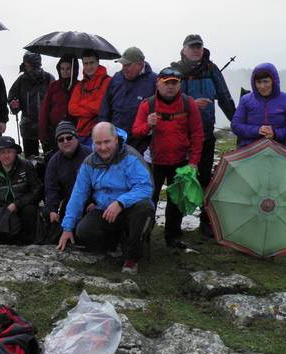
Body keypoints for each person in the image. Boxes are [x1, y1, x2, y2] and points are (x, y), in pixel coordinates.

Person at [58, 122, 154, 274]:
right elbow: (78, 194)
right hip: (104, 210)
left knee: (145, 208)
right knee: (84, 231)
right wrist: (68, 227)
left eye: (107, 142)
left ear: (116, 139)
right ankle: (116, 241)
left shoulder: (132, 157)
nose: (103, 147)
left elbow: (145, 187)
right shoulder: (89, 163)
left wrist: (121, 202)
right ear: (92, 143)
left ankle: (132, 257)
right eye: (98, 143)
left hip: (131, 209)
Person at [172, 34, 236, 238]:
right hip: (181, 136)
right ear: (183, 50)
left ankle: (206, 221)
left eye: (199, 47)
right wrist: (190, 103)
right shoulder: (174, 71)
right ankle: (175, 224)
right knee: (180, 178)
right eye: (192, 47)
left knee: (206, 178)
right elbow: (166, 99)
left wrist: (237, 122)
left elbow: (224, 97)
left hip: (206, 135)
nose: (196, 50)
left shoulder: (212, 70)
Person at [132, 67, 204, 249]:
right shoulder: (147, 105)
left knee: (176, 201)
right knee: (149, 201)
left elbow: (197, 134)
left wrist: (194, 162)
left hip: (180, 161)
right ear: (158, 83)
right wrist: (148, 125)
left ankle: (172, 236)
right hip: (153, 162)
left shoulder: (189, 104)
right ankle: (144, 234)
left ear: (180, 84)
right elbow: (136, 131)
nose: (170, 87)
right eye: (167, 83)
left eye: (175, 83)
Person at [0, 136, 42, 244]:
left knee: (30, 211)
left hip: (21, 206)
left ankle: (27, 242)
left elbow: (37, 190)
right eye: (2, 152)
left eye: (9, 151)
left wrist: (17, 204)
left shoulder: (26, 166)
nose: (6, 155)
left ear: (15, 152)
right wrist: (2, 211)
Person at [98, 47, 157, 152]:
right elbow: (105, 107)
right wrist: (103, 131)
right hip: (115, 140)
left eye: (127, 65)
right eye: (123, 65)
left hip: (141, 143)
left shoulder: (154, 81)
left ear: (139, 64)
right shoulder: (116, 78)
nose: (124, 68)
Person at [231, 63, 286, 148]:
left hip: (278, 150)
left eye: (266, 81)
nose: (262, 86)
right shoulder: (245, 100)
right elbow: (235, 125)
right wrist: (257, 131)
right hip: (249, 151)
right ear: (254, 83)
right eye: (258, 82)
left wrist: (275, 133)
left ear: (274, 81)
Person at [7, 51, 55, 156]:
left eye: (27, 63)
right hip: (28, 127)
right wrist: (13, 105)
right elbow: (11, 98)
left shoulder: (48, 79)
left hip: (47, 127)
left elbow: (56, 101)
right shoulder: (21, 80)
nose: (26, 66)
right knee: (31, 160)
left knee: (50, 158)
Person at [44, 121, 92, 224]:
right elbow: (51, 189)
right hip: (68, 204)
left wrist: (95, 202)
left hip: (90, 203)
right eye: (61, 139)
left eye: (69, 137)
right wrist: (52, 210)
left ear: (76, 138)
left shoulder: (90, 155)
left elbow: (101, 183)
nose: (65, 141)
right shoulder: (53, 162)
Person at [38, 54, 79, 158]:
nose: (65, 71)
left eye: (68, 68)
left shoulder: (79, 86)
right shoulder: (54, 86)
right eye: (62, 68)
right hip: (55, 131)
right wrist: (43, 132)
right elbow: (45, 109)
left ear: (74, 69)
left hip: (73, 132)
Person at [68, 50, 112, 145]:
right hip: (81, 132)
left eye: (91, 63)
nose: (88, 67)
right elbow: (71, 108)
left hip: (101, 134)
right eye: (85, 63)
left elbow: (100, 107)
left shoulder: (108, 81)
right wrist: (91, 108)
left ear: (98, 62)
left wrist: (82, 103)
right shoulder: (80, 85)